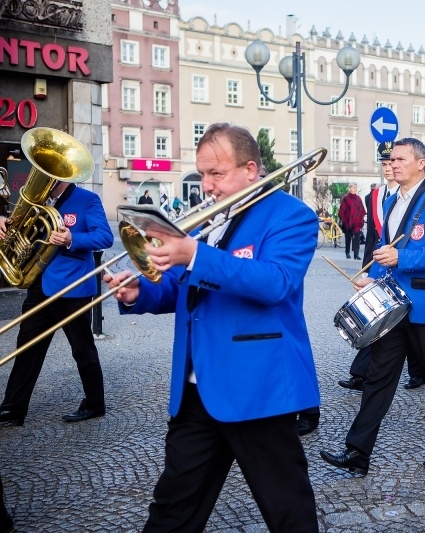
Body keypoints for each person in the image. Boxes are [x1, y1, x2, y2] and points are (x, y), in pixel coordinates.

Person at [104, 123, 319, 532]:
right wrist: (139, 292)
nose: (206, 185)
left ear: (250, 169)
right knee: (172, 508)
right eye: (202, 173)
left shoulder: (291, 215)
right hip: (195, 387)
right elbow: (183, 288)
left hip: (257, 387)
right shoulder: (207, 219)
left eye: (216, 173)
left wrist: (195, 255)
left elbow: (275, 282)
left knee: (288, 512)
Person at [320, 137, 425, 475]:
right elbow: (385, 248)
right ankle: (357, 451)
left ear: (421, 164)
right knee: (378, 377)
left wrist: (403, 257)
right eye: (392, 160)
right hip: (392, 306)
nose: (393, 164)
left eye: (401, 159)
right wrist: (372, 278)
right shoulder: (391, 200)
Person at [0, 179, 113, 427]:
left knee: (82, 349)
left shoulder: (87, 199)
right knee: (26, 349)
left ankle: (95, 404)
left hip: (72, 288)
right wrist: (4, 222)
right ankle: (12, 409)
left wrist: (72, 238)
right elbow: (18, 230)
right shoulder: (36, 200)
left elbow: (105, 236)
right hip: (39, 285)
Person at [338, 142, 423, 393]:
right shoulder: (375, 197)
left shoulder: (419, 195)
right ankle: (361, 374)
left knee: (413, 331)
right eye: (385, 163)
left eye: (394, 162)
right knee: (378, 323)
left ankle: (418, 372)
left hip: (406, 268)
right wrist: (369, 270)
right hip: (381, 265)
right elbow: (376, 238)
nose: (389, 167)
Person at [338, 183, 366, 260]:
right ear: (350, 188)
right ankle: (347, 252)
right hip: (348, 222)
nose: (354, 189)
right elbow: (342, 210)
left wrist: (361, 219)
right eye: (353, 187)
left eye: (355, 187)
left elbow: (362, 209)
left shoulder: (358, 198)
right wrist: (343, 219)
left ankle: (356, 254)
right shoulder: (346, 198)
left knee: (357, 238)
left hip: (357, 222)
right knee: (348, 238)